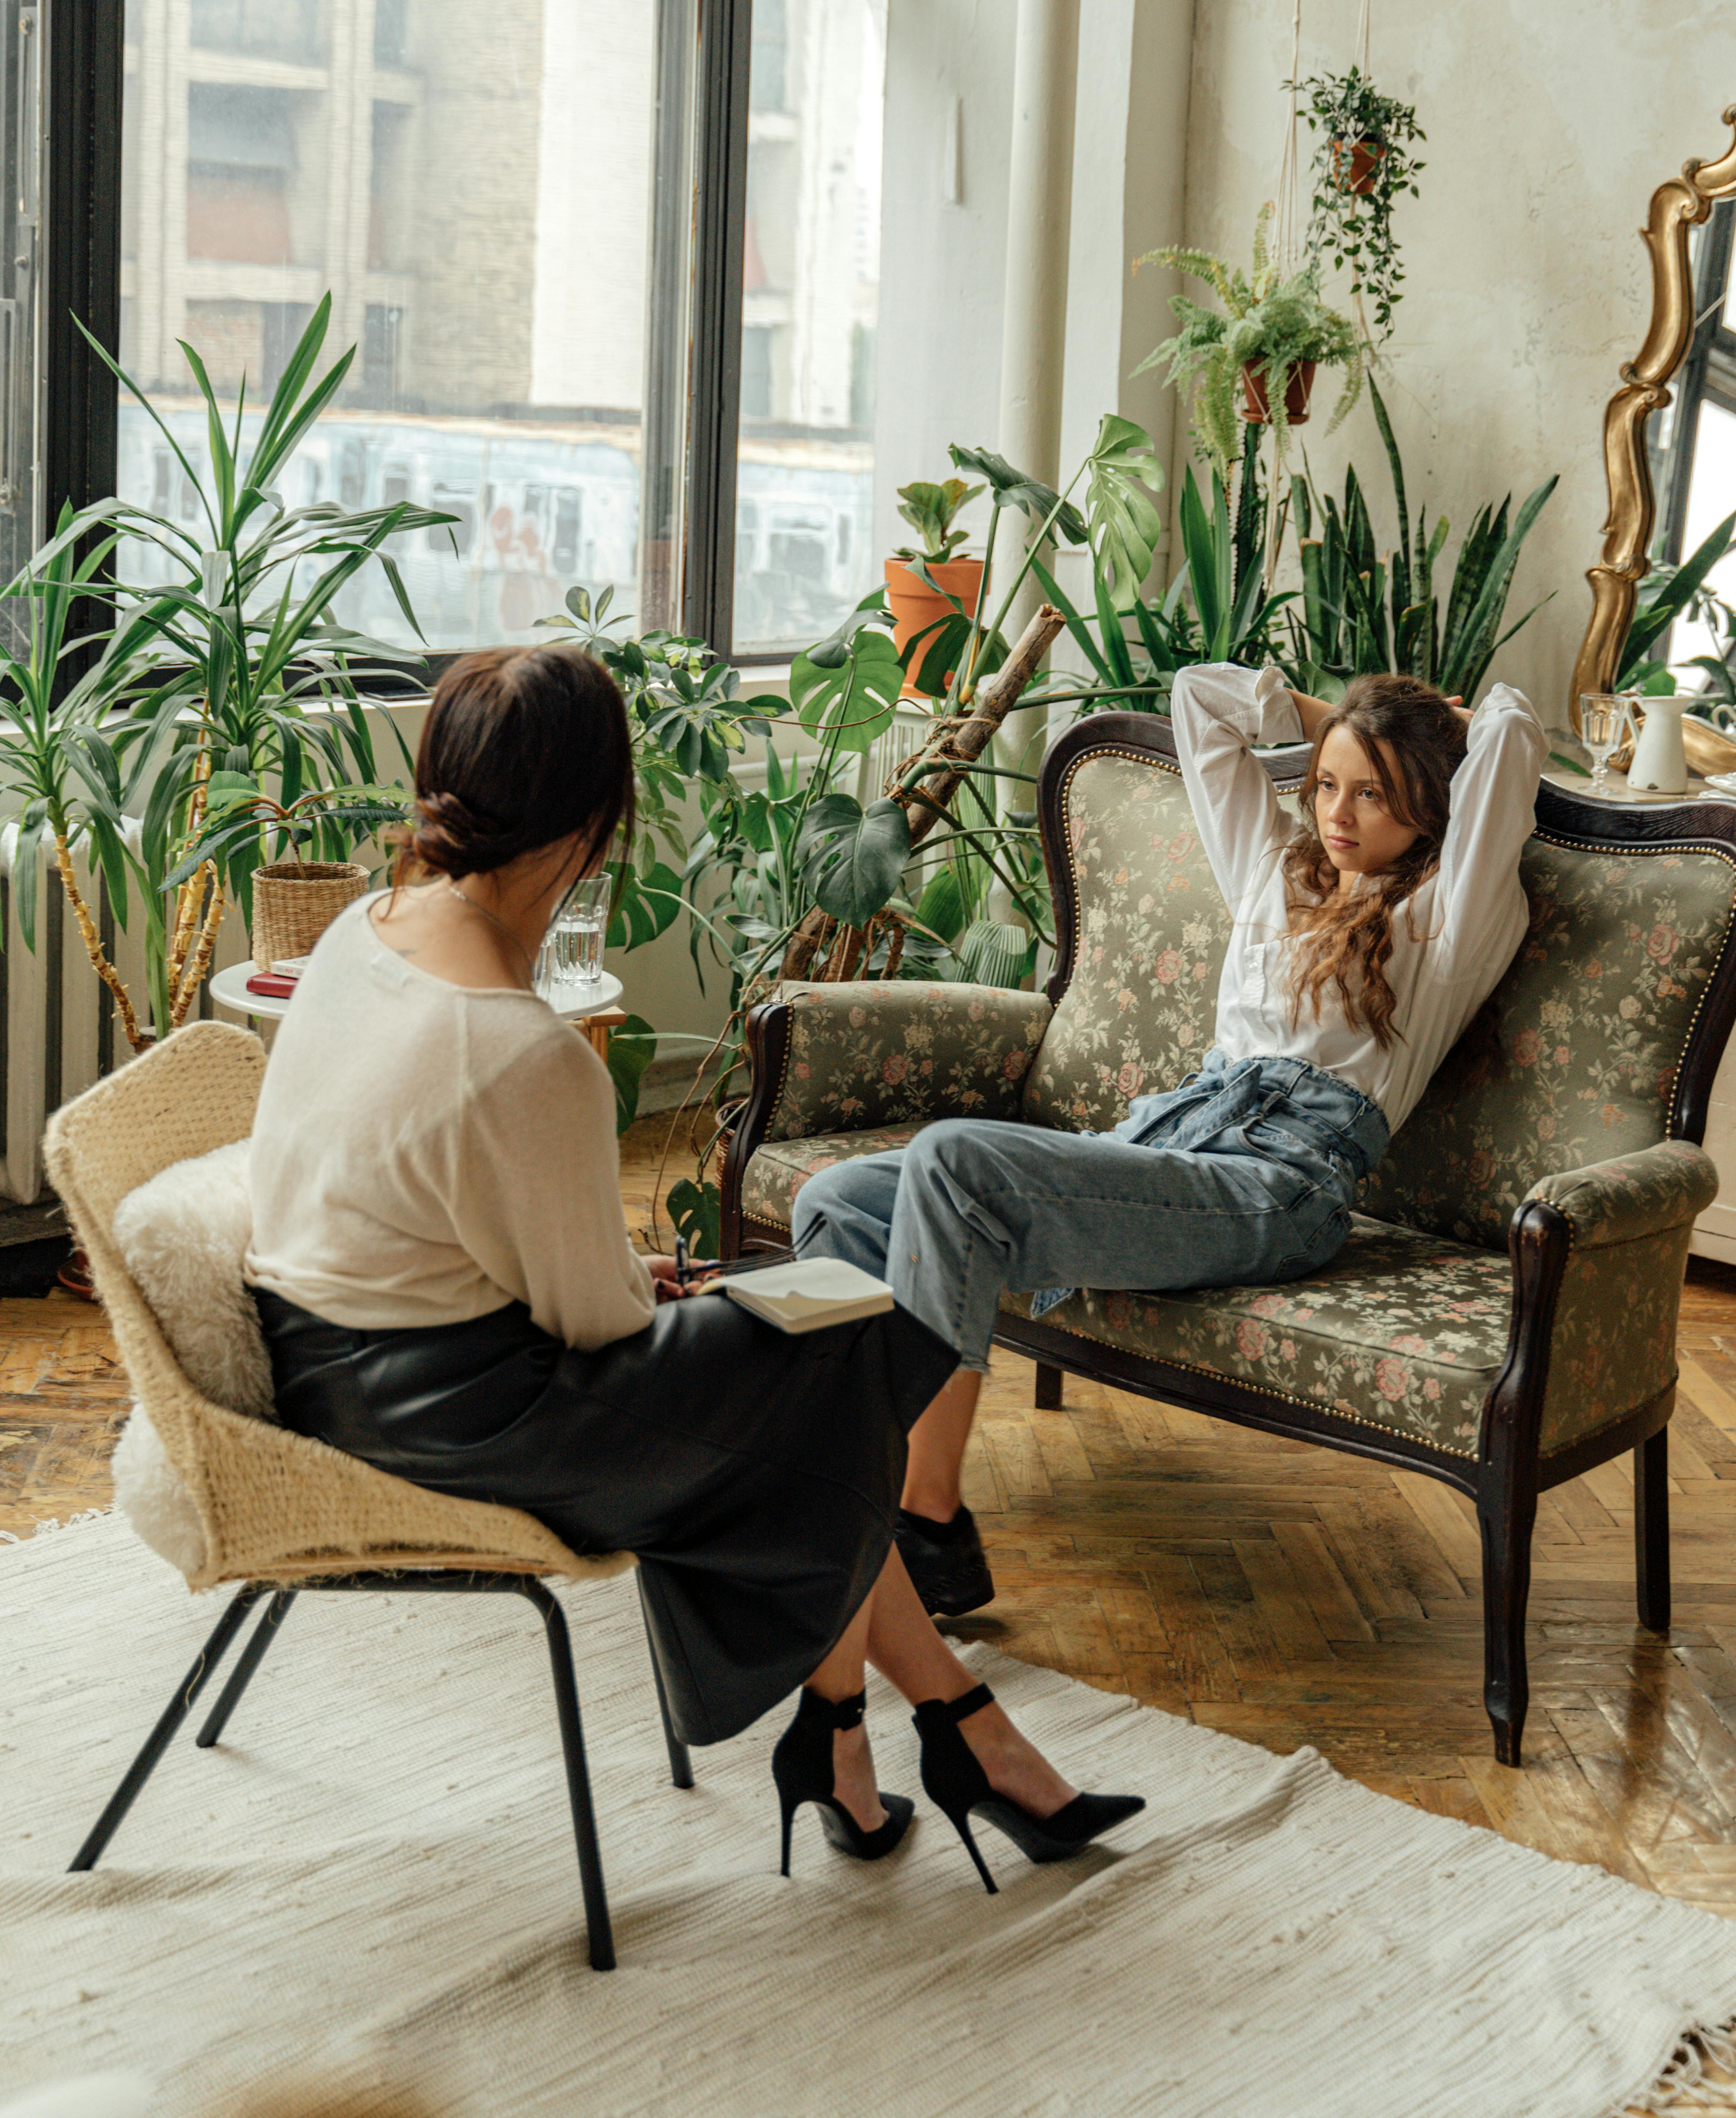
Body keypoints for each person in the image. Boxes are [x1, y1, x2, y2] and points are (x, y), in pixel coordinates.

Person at [245, 644, 1141, 1896]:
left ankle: (909, 1741)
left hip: (321, 1363)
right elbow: (597, 1322)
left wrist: (653, 1294)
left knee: (819, 1367)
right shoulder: (517, 1047)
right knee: (838, 1364)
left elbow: (459, 1229)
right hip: (457, 1416)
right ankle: (935, 1739)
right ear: (592, 826)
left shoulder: (360, 931)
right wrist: (664, 1291)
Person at [794, 662, 1548, 1620]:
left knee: (953, 1161)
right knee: (837, 1202)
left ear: (1431, 806)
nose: (1338, 813)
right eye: (1326, 784)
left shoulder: (1451, 916)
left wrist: (1412, 730)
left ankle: (926, 1530)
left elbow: (1516, 737)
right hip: (1172, 1139)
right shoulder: (1277, 873)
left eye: (1373, 794)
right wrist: (1345, 726)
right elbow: (1202, 698)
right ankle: (844, 1489)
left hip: (1279, 1185)